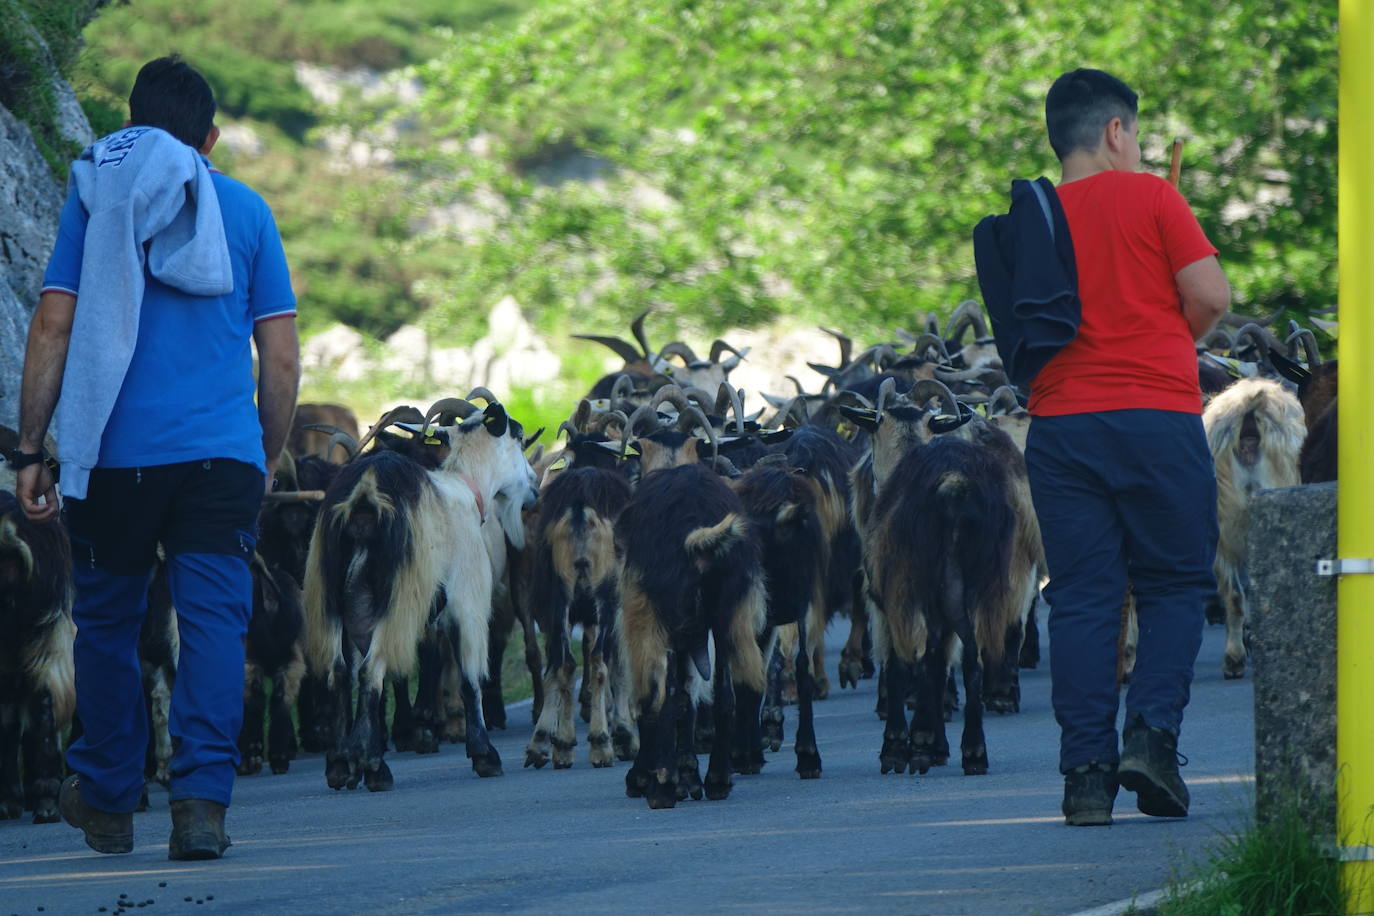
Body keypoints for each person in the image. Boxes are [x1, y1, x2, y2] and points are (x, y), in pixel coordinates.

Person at [16, 55, 299, 858]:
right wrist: (264, 454)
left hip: (113, 459)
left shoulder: (96, 204)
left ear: (129, 127)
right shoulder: (247, 212)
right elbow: (280, 358)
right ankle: (201, 804)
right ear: (210, 140)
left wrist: (31, 448)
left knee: (107, 625)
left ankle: (108, 799)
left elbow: (53, 326)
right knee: (212, 625)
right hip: (221, 460)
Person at [1021, 69, 1230, 826]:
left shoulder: (1031, 218)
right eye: (1135, 135)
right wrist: (1176, 334)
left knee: (1082, 598)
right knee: (1174, 584)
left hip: (1060, 426)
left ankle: (1085, 777)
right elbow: (1211, 297)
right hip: (1155, 417)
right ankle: (1151, 739)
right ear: (1116, 131)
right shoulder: (1154, 198)